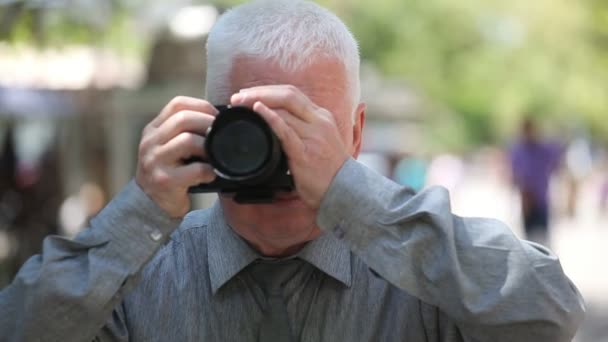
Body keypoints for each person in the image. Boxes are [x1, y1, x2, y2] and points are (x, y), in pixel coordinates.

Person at [1, 1, 584, 341]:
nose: (281, 154)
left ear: (354, 134)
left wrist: (357, 200)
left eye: (307, 128)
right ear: (207, 124)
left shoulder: (422, 274)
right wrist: (138, 215)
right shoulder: (135, 277)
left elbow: (553, 315)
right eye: (255, 128)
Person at [510, 117, 562, 245]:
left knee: (543, 240)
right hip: (527, 201)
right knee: (528, 241)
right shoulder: (518, 151)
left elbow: (557, 160)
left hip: (541, 200)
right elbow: (515, 176)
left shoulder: (544, 149)